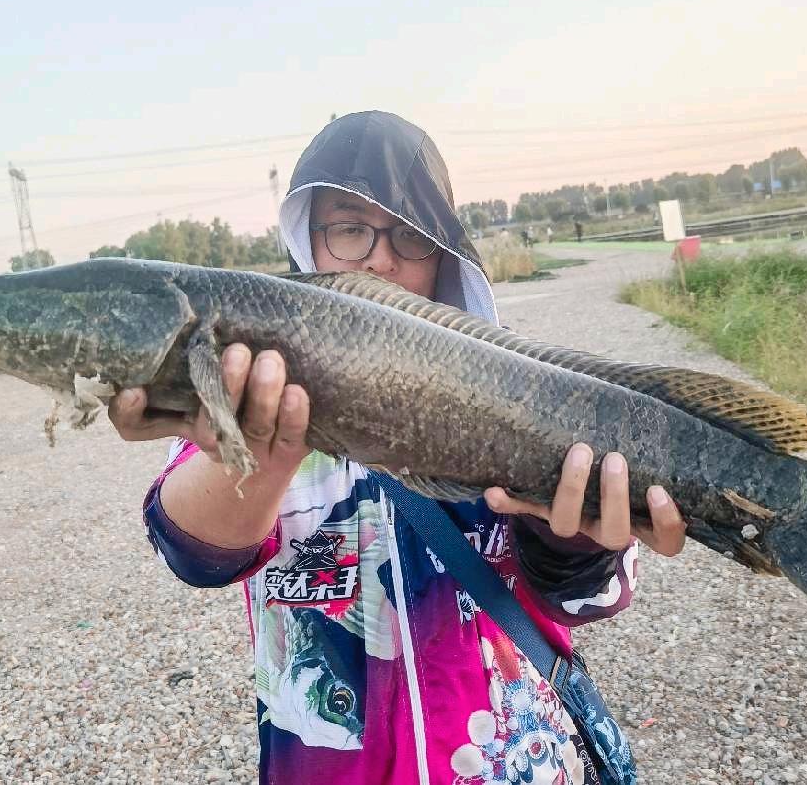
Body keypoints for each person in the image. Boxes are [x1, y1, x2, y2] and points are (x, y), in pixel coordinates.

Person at [110, 111, 686, 785]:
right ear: (311, 241)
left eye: (409, 234)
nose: (381, 258)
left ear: (444, 248)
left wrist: (575, 545)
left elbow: (583, 600)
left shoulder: (524, 387)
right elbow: (194, 553)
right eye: (350, 229)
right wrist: (256, 458)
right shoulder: (237, 389)